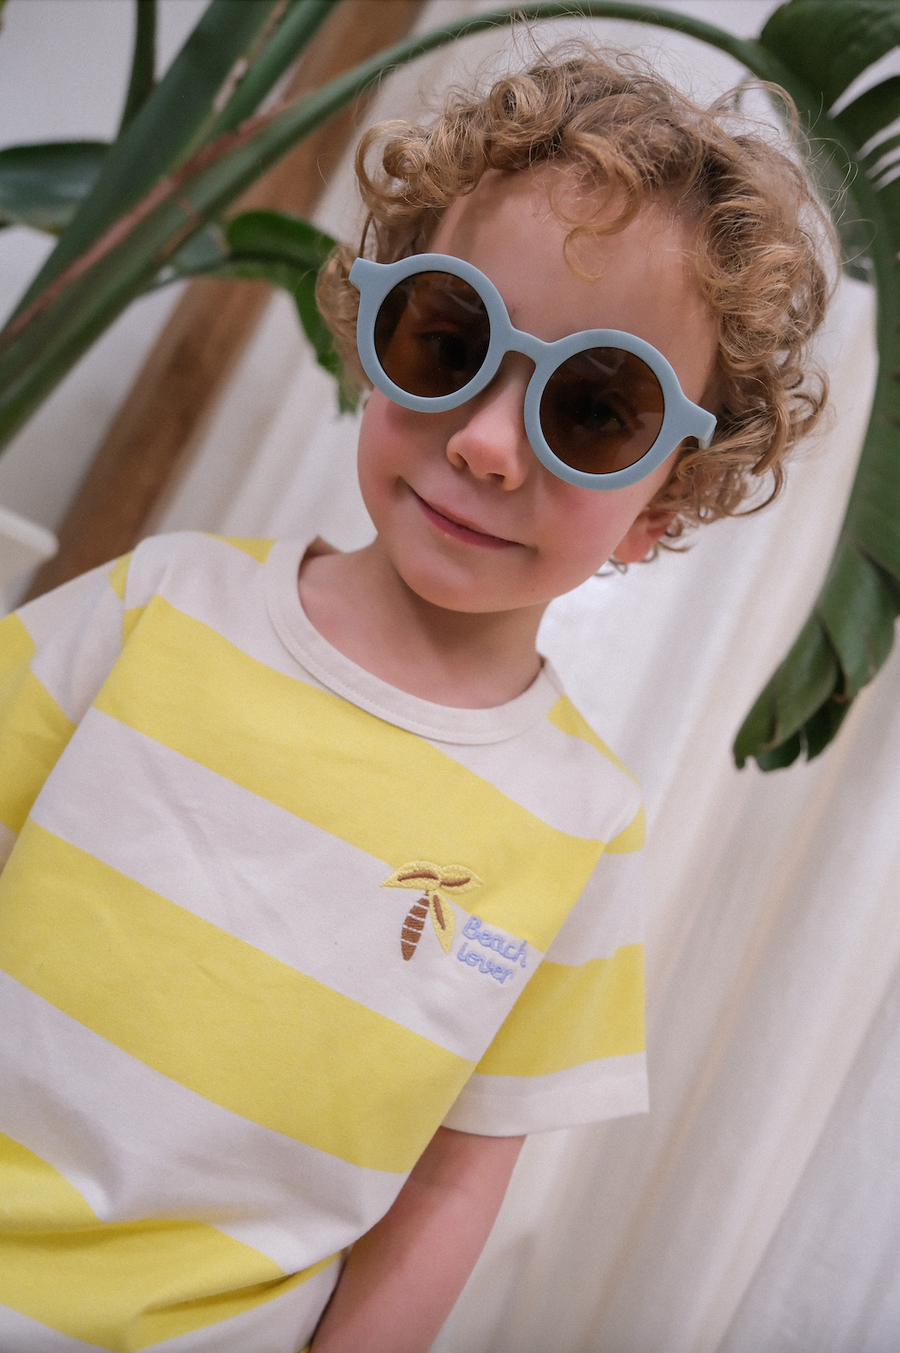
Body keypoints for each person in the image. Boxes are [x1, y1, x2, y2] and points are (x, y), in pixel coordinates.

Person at [0, 46, 833, 1353]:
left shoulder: (581, 828)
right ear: (374, 334)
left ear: (660, 501)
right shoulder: (156, 604)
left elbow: (449, 1190)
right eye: (449, 340)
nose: (487, 443)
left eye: (594, 408)